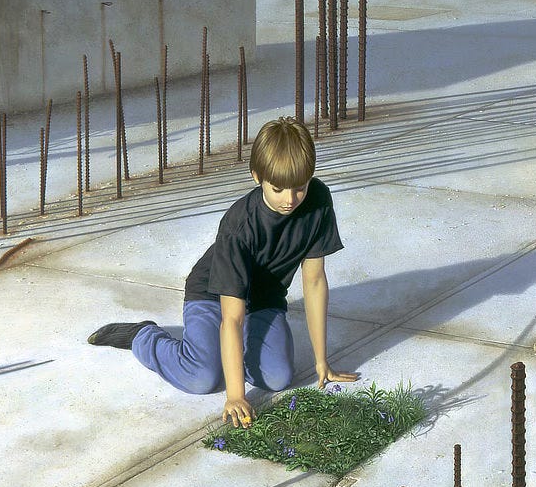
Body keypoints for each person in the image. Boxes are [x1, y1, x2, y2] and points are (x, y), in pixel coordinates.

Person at [87, 117, 358, 428]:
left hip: (263, 301)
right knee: (202, 377)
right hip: (213, 296)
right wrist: (236, 395)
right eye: (278, 188)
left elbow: (314, 281)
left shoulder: (319, 201)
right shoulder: (239, 225)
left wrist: (322, 361)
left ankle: (229, 349)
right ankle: (143, 336)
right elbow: (231, 317)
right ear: (257, 176)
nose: (290, 199)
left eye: (299, 187)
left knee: (278, 377)